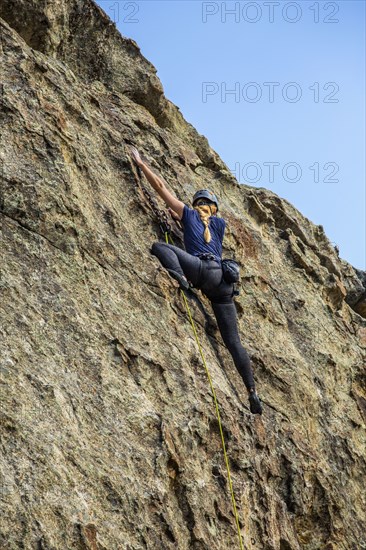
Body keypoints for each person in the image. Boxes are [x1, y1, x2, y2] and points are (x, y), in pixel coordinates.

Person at [131, 147, 262, 415]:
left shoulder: (189, 215)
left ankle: (180, 279)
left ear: (195, 204)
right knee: (233, 341)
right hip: (222, 284)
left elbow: (160, 186)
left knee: (161, 247)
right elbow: (202, 234)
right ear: (213, 209)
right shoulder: (219, 225)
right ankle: (251, 390)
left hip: (200, 272)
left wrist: (141, 163)